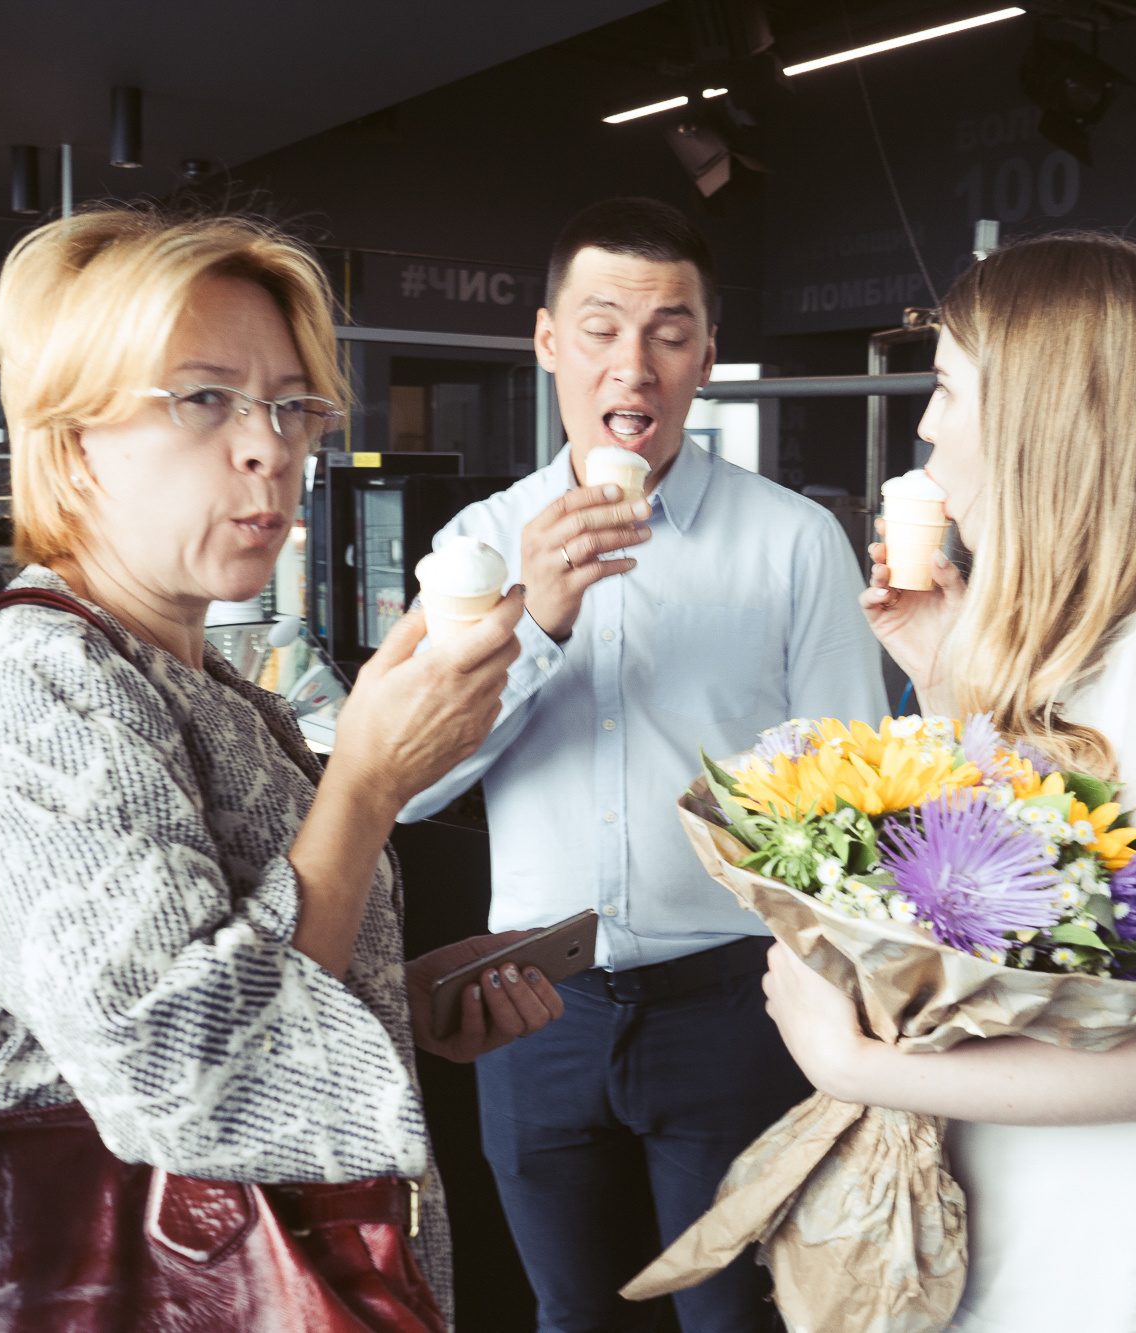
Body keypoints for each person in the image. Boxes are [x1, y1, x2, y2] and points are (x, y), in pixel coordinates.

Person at [0, 209, 566, 1326]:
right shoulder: (38, 677)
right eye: (203, 398)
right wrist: (367, 783)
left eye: (291, 403)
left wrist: (390, 1002)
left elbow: (214, 982)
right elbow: (188, 1065)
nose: (268, 444)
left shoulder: (191, 675)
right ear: (72, 440)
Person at [760, 232, 1136, 1332]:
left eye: (943, 386)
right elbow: (1040, 922)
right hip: (1025, 1208)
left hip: (1112, 1251)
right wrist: (945, 676)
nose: (926, 424)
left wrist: (852, 1063)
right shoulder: (1115, 639)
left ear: (1041, 409)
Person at [397, 196, 887, 1332]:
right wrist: (538, 625)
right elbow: (408, 786)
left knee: (735, 1318)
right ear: (546, 342)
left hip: (735, 1004)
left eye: (669, 331)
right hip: (535, 1011)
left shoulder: (789, 540)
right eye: (602, 325)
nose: (635, 362)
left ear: (707, 354)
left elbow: (857, 794)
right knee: (573, 1313)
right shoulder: (480, 543)